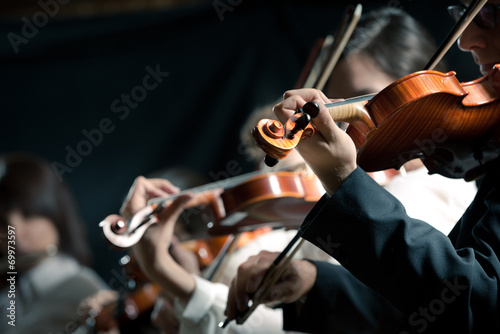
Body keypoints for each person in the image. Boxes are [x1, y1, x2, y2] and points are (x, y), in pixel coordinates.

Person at [100, 7, 480, 334]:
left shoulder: (427, 193)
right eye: (341, 103)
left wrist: (177, 281)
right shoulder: (356, 194)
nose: (343, 122)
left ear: (416, 88)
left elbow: (350, 316)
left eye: (367, 98)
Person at [224, 1, 500, 333]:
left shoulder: (423, 190)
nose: (466, 40)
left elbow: (479, 306)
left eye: (488, 12)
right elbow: (427, 310)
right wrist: (314, 281)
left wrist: (343, 180)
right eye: (463, 14)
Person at [0, 153, 107, 334]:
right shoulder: (7, 298)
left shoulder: (85, 290)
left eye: (28, 214)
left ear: (56, 214)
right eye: (2, 223)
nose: (14, 234)